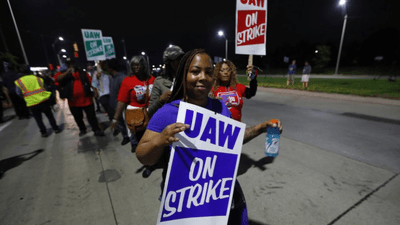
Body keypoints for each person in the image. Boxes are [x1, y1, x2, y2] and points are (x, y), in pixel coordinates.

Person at [135, 49, 282, 224]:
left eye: (208, 72)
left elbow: (232, 140)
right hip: (186, 200)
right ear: (183, 75)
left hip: (220, 193)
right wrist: (160, 140)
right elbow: (143, 155)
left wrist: (261, 127)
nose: (203, 77)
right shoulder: (169, 112)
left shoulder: (220, 107)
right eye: (195, 71)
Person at [111, 55, 155, 152]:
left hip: (152, 115)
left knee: (154, 141)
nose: (136, 67)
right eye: (133, 65)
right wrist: (115, 119)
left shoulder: (152, 79)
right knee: (143, 142)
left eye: (138, 65)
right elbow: (121, 101)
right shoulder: (127, 81)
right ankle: (148, 162)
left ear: (144, 65)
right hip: (138, 118)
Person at [56, 60, 104, 137]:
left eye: (72, 64)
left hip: (87, 100)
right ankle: (82, 129)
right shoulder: (64, 74)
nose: (71, 66)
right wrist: (66, 73)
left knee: (91, 117)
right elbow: (58, 79)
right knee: (78, 117)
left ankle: (96, 130)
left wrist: (95, 91)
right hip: (73, 102)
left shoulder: (82, 73)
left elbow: (91, 82)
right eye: (69, 65)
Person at [14, 65, 61, 137]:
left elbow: (18, 93)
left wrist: (25, 98)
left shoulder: (19, 81)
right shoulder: (38, 79)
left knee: (38, 119)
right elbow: (44, 88)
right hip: (43, 100)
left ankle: (44, 132)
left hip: (32, 103)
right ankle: (56, 129)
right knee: (50, 116)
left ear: (21, 71)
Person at [148, 45, 185, 117]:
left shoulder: (189, 78)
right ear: (169, 62)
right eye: (176, 59)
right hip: (168, 121)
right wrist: (161, 99)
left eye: (181, 58)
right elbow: (150, 110)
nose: (180, 62)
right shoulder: (159, 81)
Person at [101, 59, 130, 145]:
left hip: (122, 106)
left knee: (127, 123)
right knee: (120, 123)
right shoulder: (112, 78)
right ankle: (125, 137)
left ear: (111, 68)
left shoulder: (122, 78)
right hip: (114, 105)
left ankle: (132, 140)